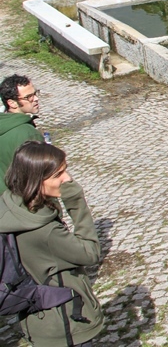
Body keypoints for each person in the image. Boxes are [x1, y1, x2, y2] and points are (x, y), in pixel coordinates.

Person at [0, 141, 104, 346]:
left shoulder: (12, 207)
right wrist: (76, 202)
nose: (68, 179)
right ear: (35, 180)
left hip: (38, 319)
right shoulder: (44, 231)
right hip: (66, 323)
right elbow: (90, 253)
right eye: (58, 175)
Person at [1, 74, 44, 191]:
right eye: (29, 97)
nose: (36, 99)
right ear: (12, 103)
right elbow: (42, 176)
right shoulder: (29, 134)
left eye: (35, 93)